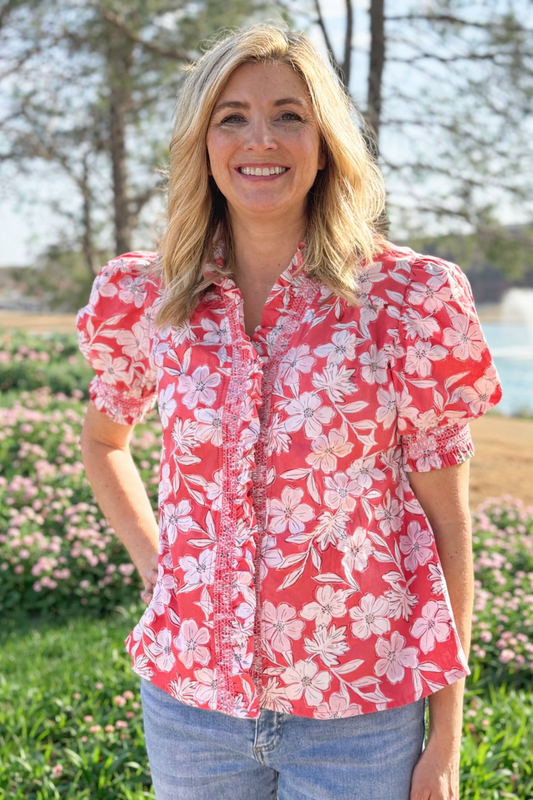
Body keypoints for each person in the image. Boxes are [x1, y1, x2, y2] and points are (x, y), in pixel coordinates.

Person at [76, 23, 502, 800]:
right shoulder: (147, 298)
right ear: (201, 141)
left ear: (326, 141)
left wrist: (447, 736)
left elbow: (446, 524)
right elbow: (105, 440)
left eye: (289, 114)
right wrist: (158, 563)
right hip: (189, 709)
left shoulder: (406, 302)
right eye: (231, 115)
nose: (259, 138)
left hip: (362, 716)